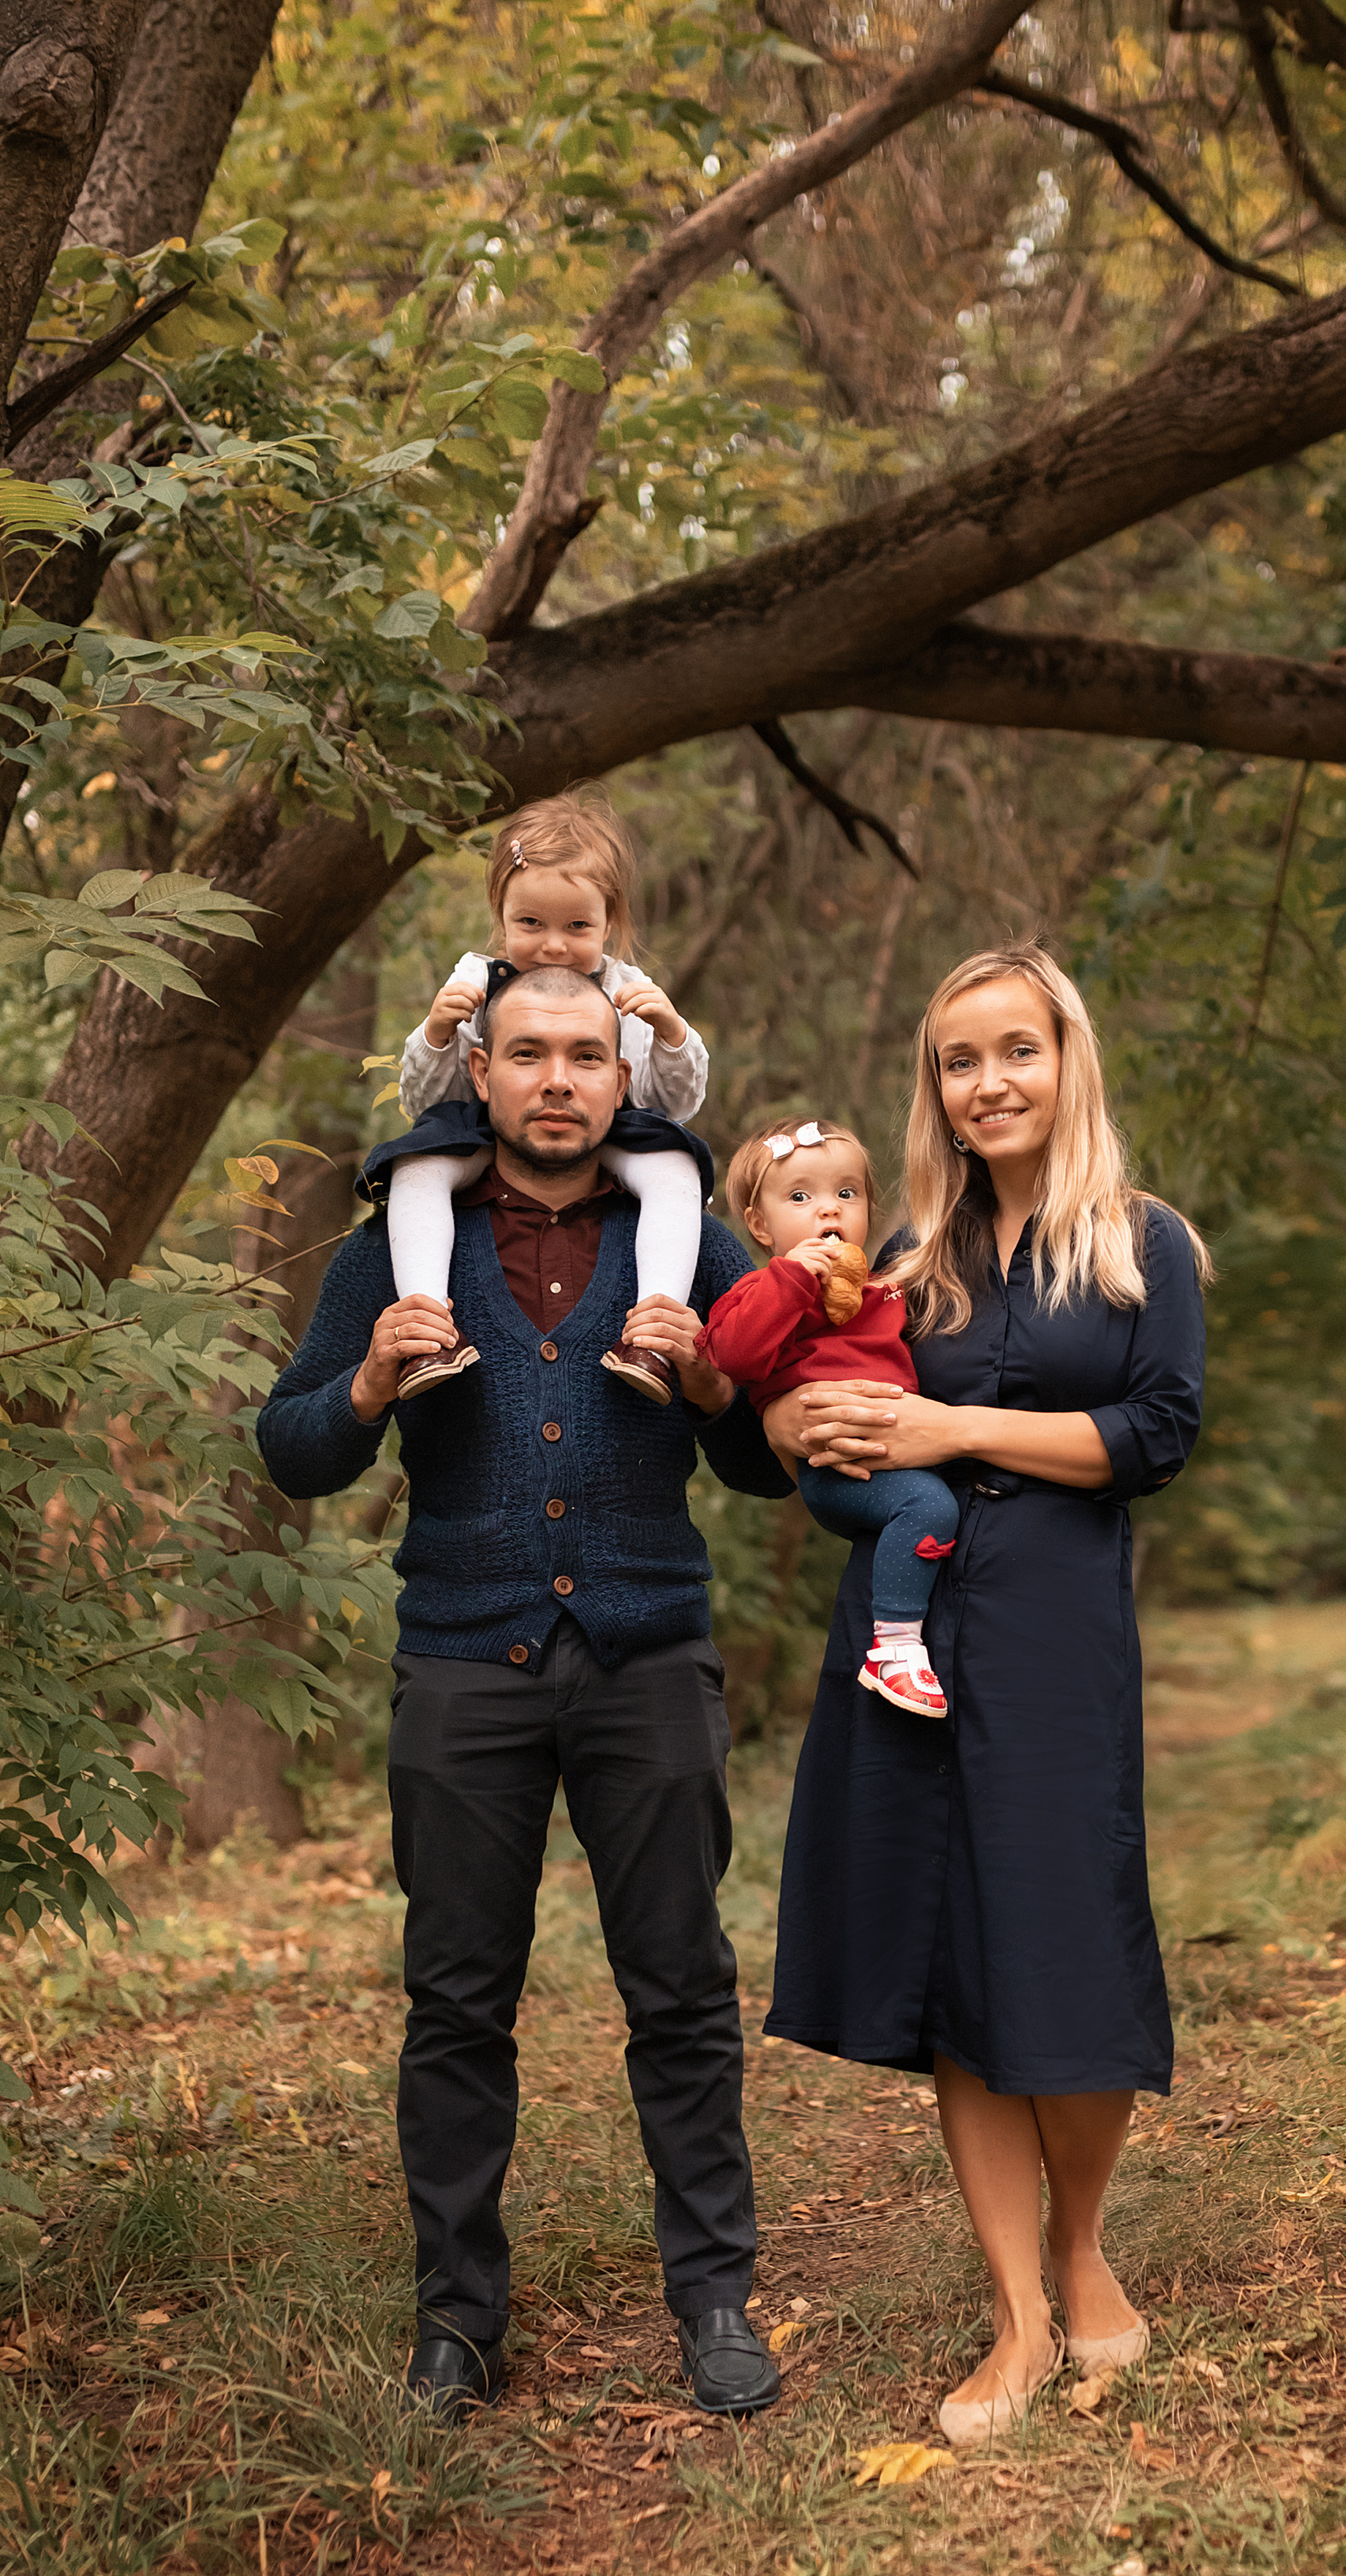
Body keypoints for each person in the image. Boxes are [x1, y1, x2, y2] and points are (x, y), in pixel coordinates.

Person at [256, 963, 790, 2425]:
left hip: (649, 1660)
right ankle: (458, 2325)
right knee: (455, 2005)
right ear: (476, 1076)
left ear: (623, 1082)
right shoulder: (394, 1250)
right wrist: (363, 1386)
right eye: (527, 1056)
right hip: (459, 1664)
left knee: (679, 1992)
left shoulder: (692, 1248)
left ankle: (713, 2301)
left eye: (584, 1057)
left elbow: (770, 1467)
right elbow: (292, 1450)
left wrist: (714, 1392)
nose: (556, 1081)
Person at [760, 949, 1209, 2448]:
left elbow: (1154, 1433)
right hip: (909, 1632)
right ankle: (1016, 2314)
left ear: (1065, 1060)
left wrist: (952, 1421)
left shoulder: (1143, 1246)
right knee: (951, 1950)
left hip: (1057, 1628)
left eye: (1014, 1049)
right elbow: (816, 1394)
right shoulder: (899, 1254)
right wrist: (799, 1419)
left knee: (1060, 1932)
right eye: (958, 1060)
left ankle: (1084, 2251)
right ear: (934, 1089)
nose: (987, 1082)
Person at [379, 790, 708, 1406]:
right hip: (494, 1135)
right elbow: (428, 1101)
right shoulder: (475, 981)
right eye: (531, 924)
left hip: (609, 1136)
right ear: (500, 915)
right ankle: (428, 1332)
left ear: (610, 923)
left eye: (577, 926)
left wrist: (672, 1034)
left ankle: (653, 1335)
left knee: (677, 1168)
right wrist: (437, 1032)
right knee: (415, 1167)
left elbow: (676, 1104)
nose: (554, 945)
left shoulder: (630, 990)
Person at [699, 1114, 959, 1719]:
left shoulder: (888, 1290)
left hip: (894, 1452)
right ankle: (894, 1650)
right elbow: (733, 1355)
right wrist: (791, 1281)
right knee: (930, 1506)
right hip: (834, 1467)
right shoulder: (761, 1289)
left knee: (939, 1499)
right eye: (800, 1197)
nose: (828, 1211)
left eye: (847, 1194)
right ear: (760, 1225)